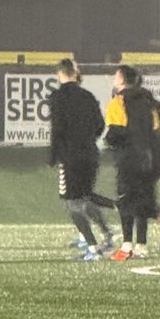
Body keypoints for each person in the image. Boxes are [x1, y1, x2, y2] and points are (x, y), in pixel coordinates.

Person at [103, 64, 160, 261]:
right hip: (151, 161)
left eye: (116, 76)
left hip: (129, 159)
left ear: (121, 80)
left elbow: (116, 132)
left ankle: (126, 247)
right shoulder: (152, 102)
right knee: (143, 199)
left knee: (126, 202)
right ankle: (142, 245)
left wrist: (109, 141)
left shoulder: (119, 101)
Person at [48, 58, 114, 260]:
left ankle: (92, 248)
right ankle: (107, 234)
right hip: (90, 154)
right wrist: (86, 140)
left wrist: (54, 155)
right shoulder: (87, 96)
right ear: (75, 74)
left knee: (72, 203)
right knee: (85, 197)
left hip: (70, 156)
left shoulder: (57, 97)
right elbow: (100, 126)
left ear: (59, 74)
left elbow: (57, 129)